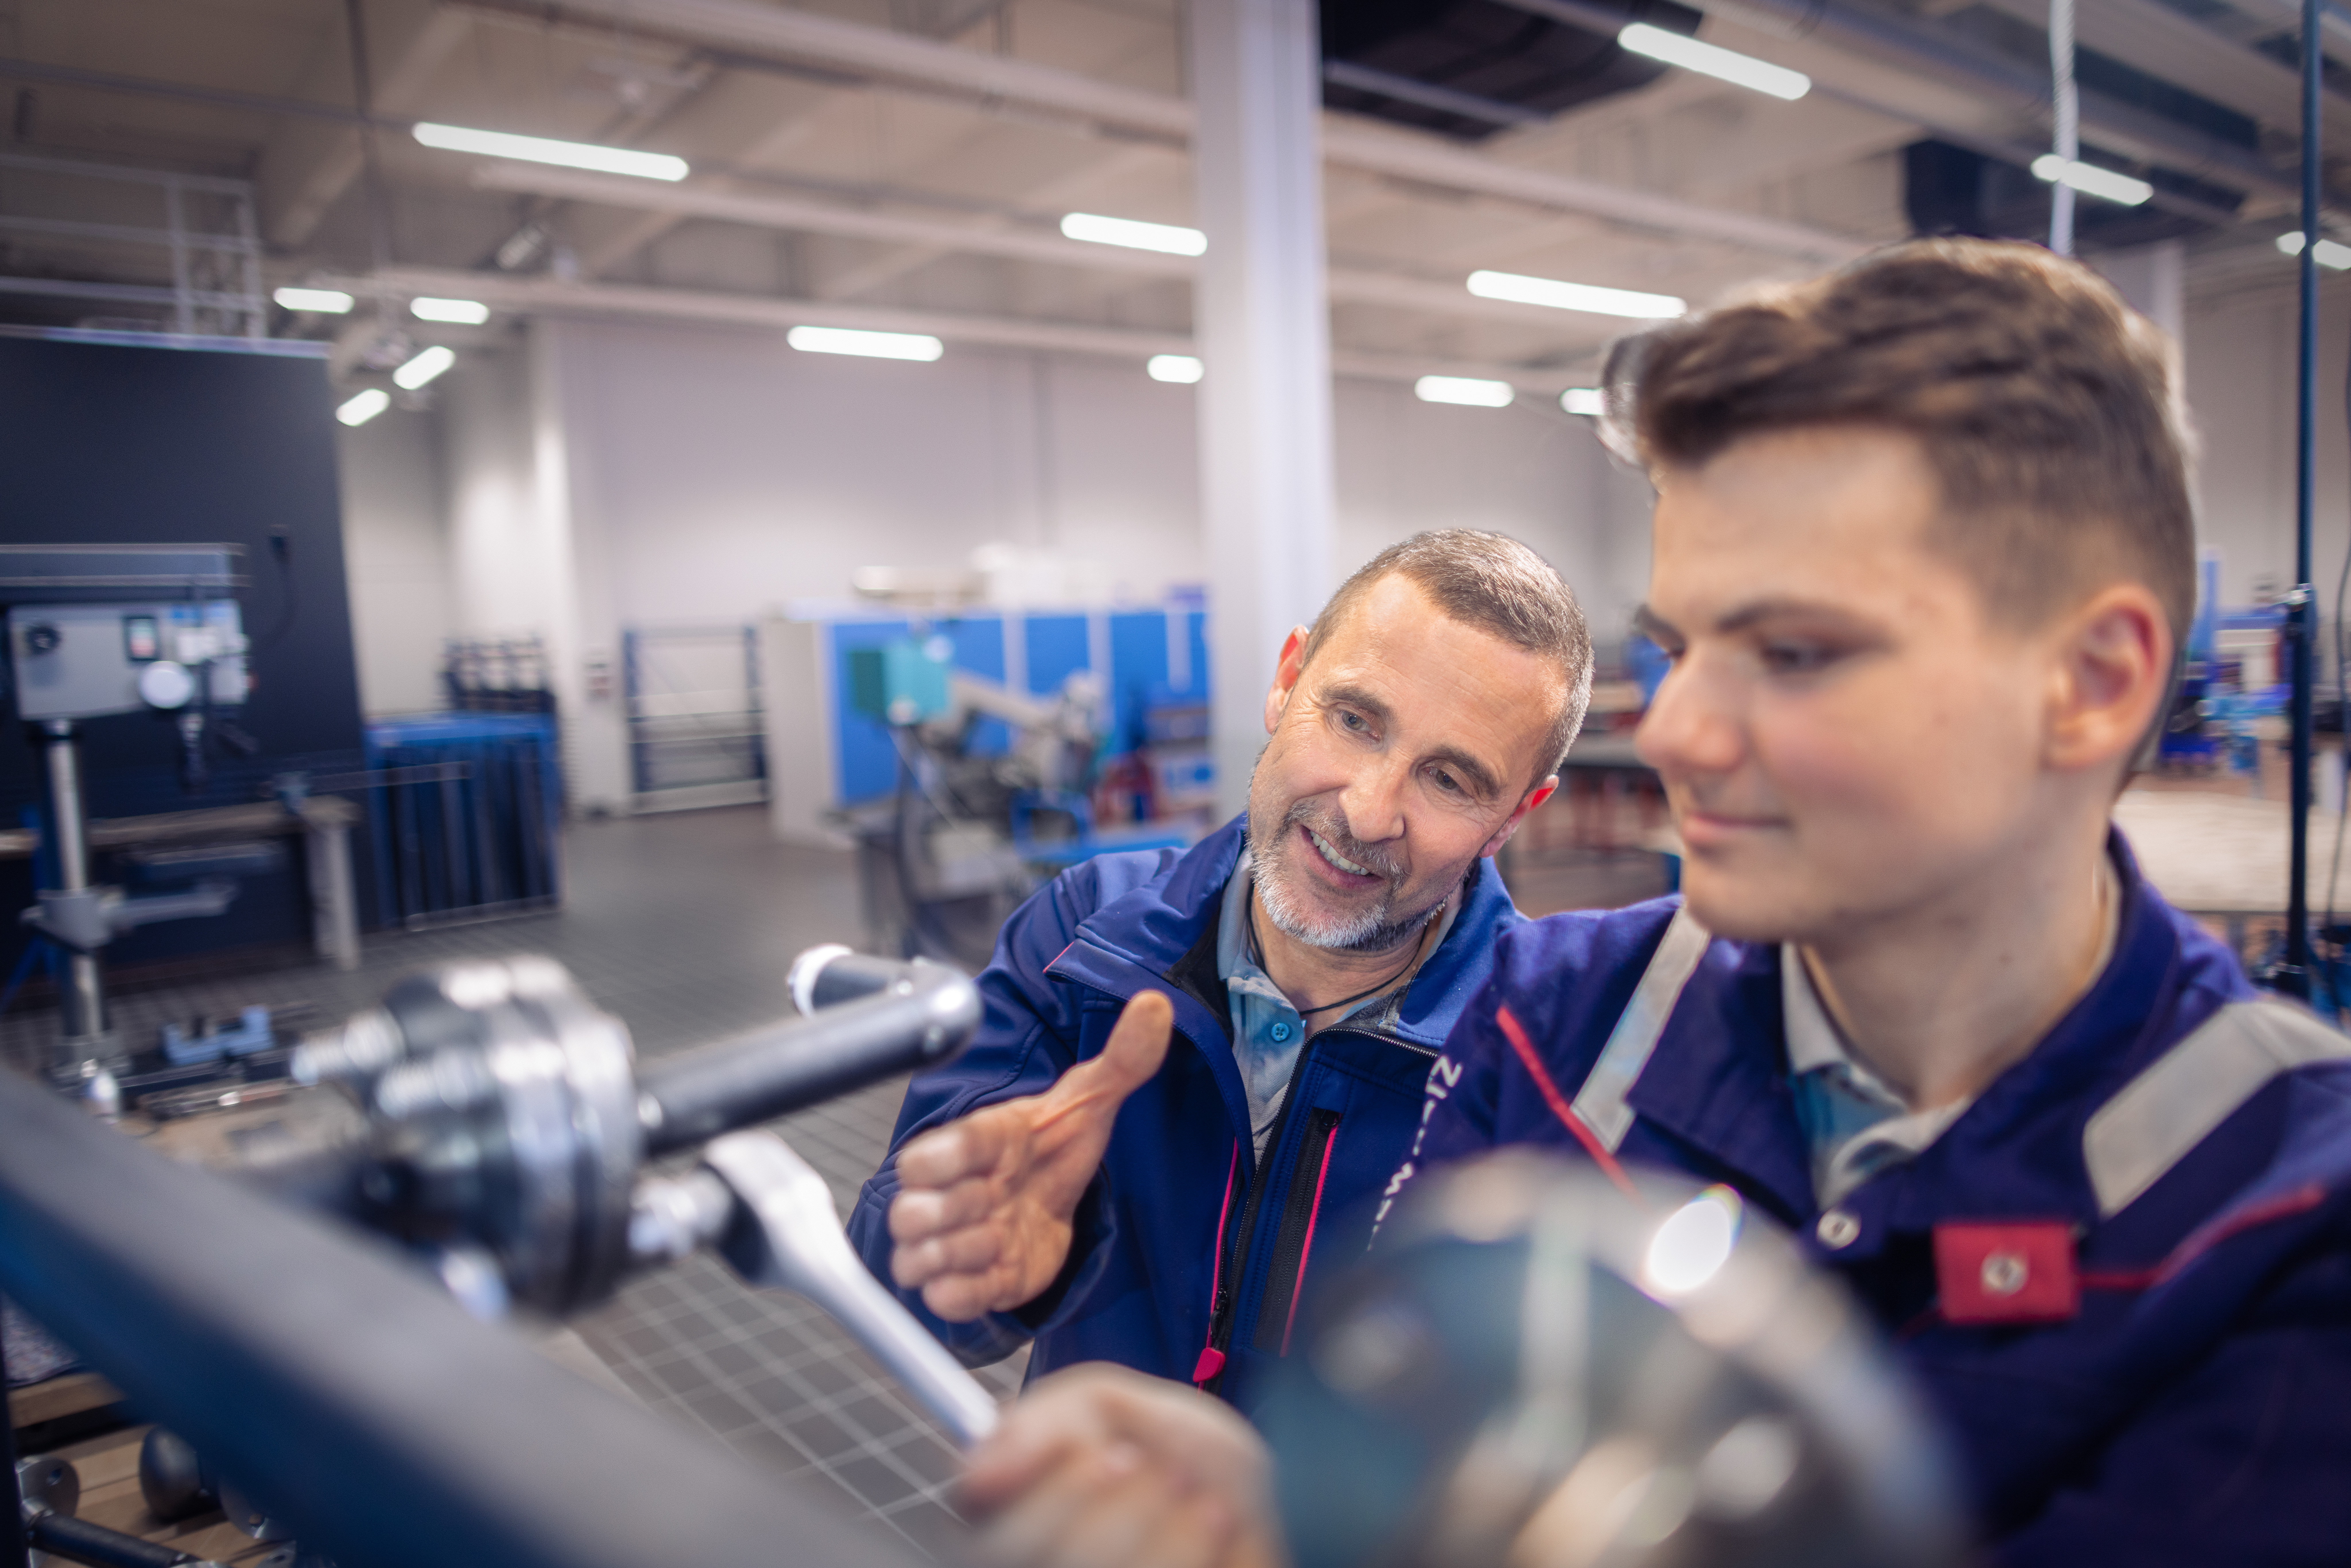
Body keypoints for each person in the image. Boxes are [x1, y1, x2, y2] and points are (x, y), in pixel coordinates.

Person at [950, 239, 2351, 1568]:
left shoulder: (2282, 1210)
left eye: (1792, 649)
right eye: (1678, 647)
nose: (1673, 733)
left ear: (2092, 681)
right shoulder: (1563, 1022)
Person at [844, 531, 1594, 1414]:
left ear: (1514, 818)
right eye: (1355, 721)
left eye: (1451, 780)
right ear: (1288, 681)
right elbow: (895, 1282)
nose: (1366, 811)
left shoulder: (1541, 1056)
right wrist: (976, 1251)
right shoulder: (1086, 938)